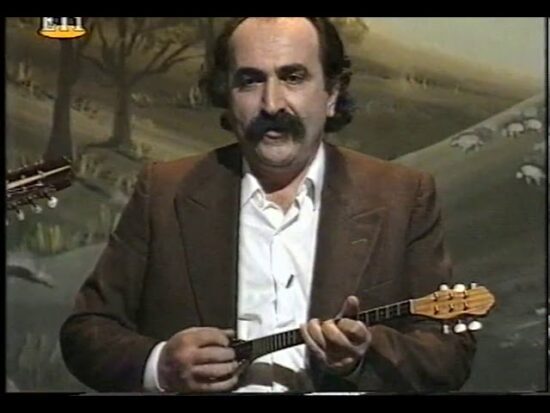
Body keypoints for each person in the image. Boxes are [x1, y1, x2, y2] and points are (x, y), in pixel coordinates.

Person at [60, 17, 476, 394]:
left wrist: (362, 356)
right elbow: (87, 332)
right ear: (227, 95)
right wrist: (161, 365)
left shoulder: (402, 195)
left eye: (293, 77)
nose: (272, 103)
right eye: (250, 81)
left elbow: (448, 355)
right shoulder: (164, 191)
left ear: (332, 94)